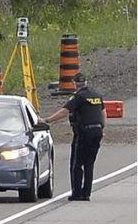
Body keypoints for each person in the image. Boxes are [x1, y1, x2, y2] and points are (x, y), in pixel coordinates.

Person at [43, 73, 106, 201]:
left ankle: (77, 193)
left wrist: (47, 120)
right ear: (86, 82)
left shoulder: (78, 97)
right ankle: (86, 193)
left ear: (74, 84)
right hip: (97, 132)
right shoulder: (97, 96)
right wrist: (101, 128)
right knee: (89, 163)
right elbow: (103, 113)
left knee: (77, 164)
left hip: (84, 133)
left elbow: (64, 111)